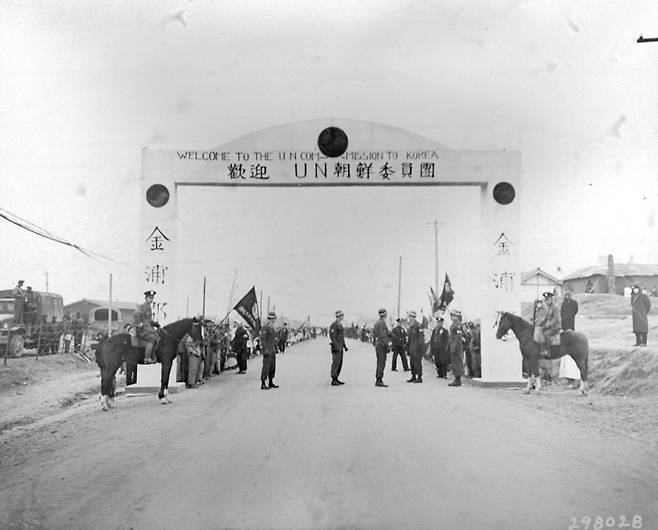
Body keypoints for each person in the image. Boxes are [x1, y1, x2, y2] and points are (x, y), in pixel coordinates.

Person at [132, 291, 159, 363]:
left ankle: (154, 356)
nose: (151, 300)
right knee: (152, 338)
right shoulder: (142, 306)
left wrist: (155, 323)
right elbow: (136, 315)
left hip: (147, 330)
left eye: (152, 298)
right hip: (142, 330)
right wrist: (139, 324)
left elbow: (148, 320)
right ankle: (147, 358)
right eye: (150, 298)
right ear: (146, 298)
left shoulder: (149, 308)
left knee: (157, 335)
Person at [536, 292, 560, 356]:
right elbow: (546, 317)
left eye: (548, 300)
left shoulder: (555, 307)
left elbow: (556, 319)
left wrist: (548, 325)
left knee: (546, 334)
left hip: (555, 327)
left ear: (551, 299)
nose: (546, 301)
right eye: (545, 300)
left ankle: (548, 352)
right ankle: (541, 350)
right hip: (550, 326)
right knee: (539, 331)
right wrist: (541, 322)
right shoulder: (549, 308)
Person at [260, 311, 279, 390]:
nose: (275, 320)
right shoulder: (266, 326)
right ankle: (263, 383)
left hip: (272, 349)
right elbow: (262, 339)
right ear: (271, 318)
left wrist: (275, 347)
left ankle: (271, 382)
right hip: (267, 349)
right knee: (266, 366)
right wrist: (264, 348)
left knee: (272, 366)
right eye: (274, 318)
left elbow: (273, 339)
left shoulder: (272, 326)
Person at [373, 308, 391, 387]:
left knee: (379, 361)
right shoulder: (382, 323)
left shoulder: (377, 322)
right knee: (381, 362)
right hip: (382, 345)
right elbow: (383, 336)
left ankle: (378, 378)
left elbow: (375, 334)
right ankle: (379, 379)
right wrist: (387, 346)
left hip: (378, 344)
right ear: (385, 315)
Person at [329, 310, 348, 386]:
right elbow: (332, 336)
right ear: (338, 316)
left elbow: (341, 337)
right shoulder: (334, 325)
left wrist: (344, 346)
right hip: (336, 347)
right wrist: (336, 346)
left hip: (340, 347)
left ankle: (336, 378)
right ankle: (333, 379)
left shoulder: (340, 324)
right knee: (336, 363)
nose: (342, 317)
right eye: (342, 316)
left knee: (340, 363)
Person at [183, 322, 203, 388]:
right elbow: (187, 345)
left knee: (196, 369)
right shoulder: (190, 336)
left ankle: (194, 382)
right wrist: (192, 351)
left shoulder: (197, 336)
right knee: (192, 369)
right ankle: (191, 383)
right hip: (193, 354)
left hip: (197, 353)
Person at [406, 310, 423, 383]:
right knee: (412, 362)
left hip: (417, 346)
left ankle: (419, 377)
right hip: (411, 346)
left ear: (414, 317)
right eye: (410, 317)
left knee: (417, 362)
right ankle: (413, 376)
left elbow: (421, 337)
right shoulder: (410, 327)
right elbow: (409, 338)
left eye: (412, 317)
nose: (410, 318)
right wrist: (408, 348)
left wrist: (419, 346)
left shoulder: (418, 325)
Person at [448, 311, 464, 387]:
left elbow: (458, 337)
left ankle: (458, 379)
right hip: (452, 346)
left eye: (453, 315)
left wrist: (454, 347)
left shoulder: (458, 325)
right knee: (454, 362)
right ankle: (456, 378)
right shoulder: (453, 324)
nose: (451, 317)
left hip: (457, 347)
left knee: (457, 362)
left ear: (456, 316)